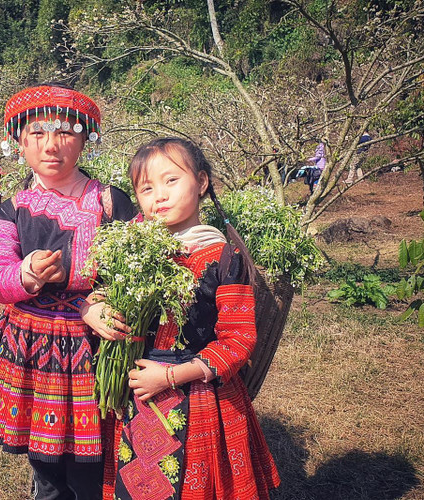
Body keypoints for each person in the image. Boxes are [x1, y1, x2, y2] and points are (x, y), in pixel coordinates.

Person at [81, 137, 280, 500]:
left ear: (201, 182)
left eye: (171, 180)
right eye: (146, 188)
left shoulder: (223, 258)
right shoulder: (133, 251)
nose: (159, 195)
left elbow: (238, 341)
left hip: (196, 396)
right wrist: (93, 308)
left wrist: (169, 377)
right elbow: (102, 292)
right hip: (136, 394)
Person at [0, 84, 137, 500]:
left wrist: (96, 302)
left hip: (92, 348)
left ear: (84, 140)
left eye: (64, 132)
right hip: (30, 349)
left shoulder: (110, 202)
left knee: (90, 467)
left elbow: (135, 270)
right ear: (20, 144)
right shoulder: (13, 208)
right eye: (37, 134)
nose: (51, 145)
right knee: (46, 471)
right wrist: (26, 273)